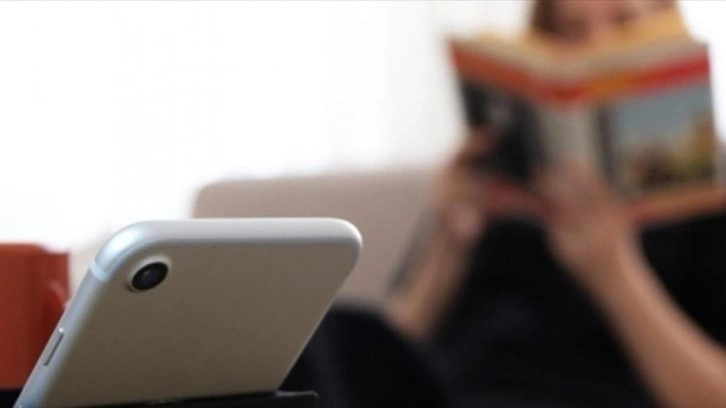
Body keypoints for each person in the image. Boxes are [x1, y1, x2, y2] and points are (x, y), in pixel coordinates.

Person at [284, 1, 726, 407]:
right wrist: (448, 242)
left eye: (624, 22)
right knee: (318, 340)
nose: (598, 43)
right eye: (573, 31)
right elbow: (386, 353)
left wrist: (613, 272)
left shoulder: (704, 199)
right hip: (446, 394)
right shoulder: (496, 183)